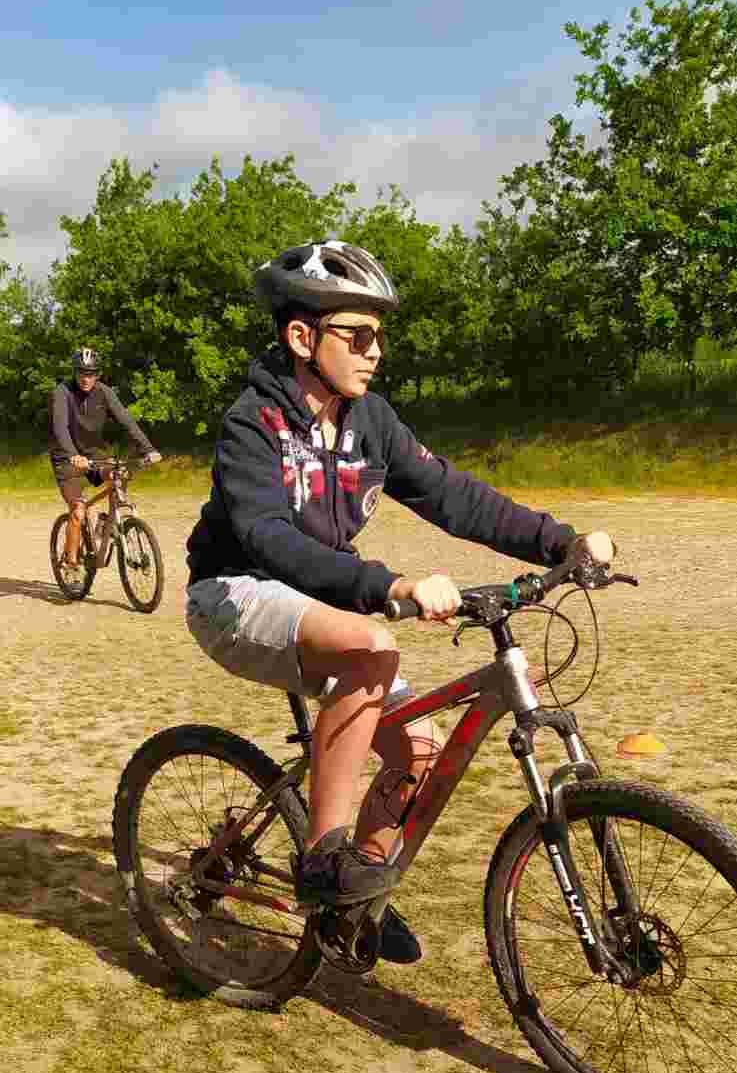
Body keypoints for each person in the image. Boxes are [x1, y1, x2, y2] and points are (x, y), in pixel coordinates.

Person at [185, 241, 612, 966]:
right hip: (235, 589)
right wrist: (389, 585)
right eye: (358, 335)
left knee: (416, 750)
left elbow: (453, 497)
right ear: (302, 337)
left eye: (380, 336)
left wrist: (560, 543)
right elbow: (266, 536)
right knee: (371, 647)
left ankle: (359, 896)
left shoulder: (370, 421)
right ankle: (324, 861)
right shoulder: (253, 423)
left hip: (323, 598)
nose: (375, 351)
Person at [49, 347, 162, 574]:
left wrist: (148, 449)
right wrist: (72, 455)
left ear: (97, 374)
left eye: (90, 373)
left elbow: (127, 421)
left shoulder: (104, 392)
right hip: (66, 458)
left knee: (119, 476)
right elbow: (60, 427)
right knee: (78, 511)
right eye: (81, 373)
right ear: (75, 373)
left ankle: (106, 525)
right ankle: (71, 563)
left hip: (94, 454)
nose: (86, 378)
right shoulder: (62, 392)